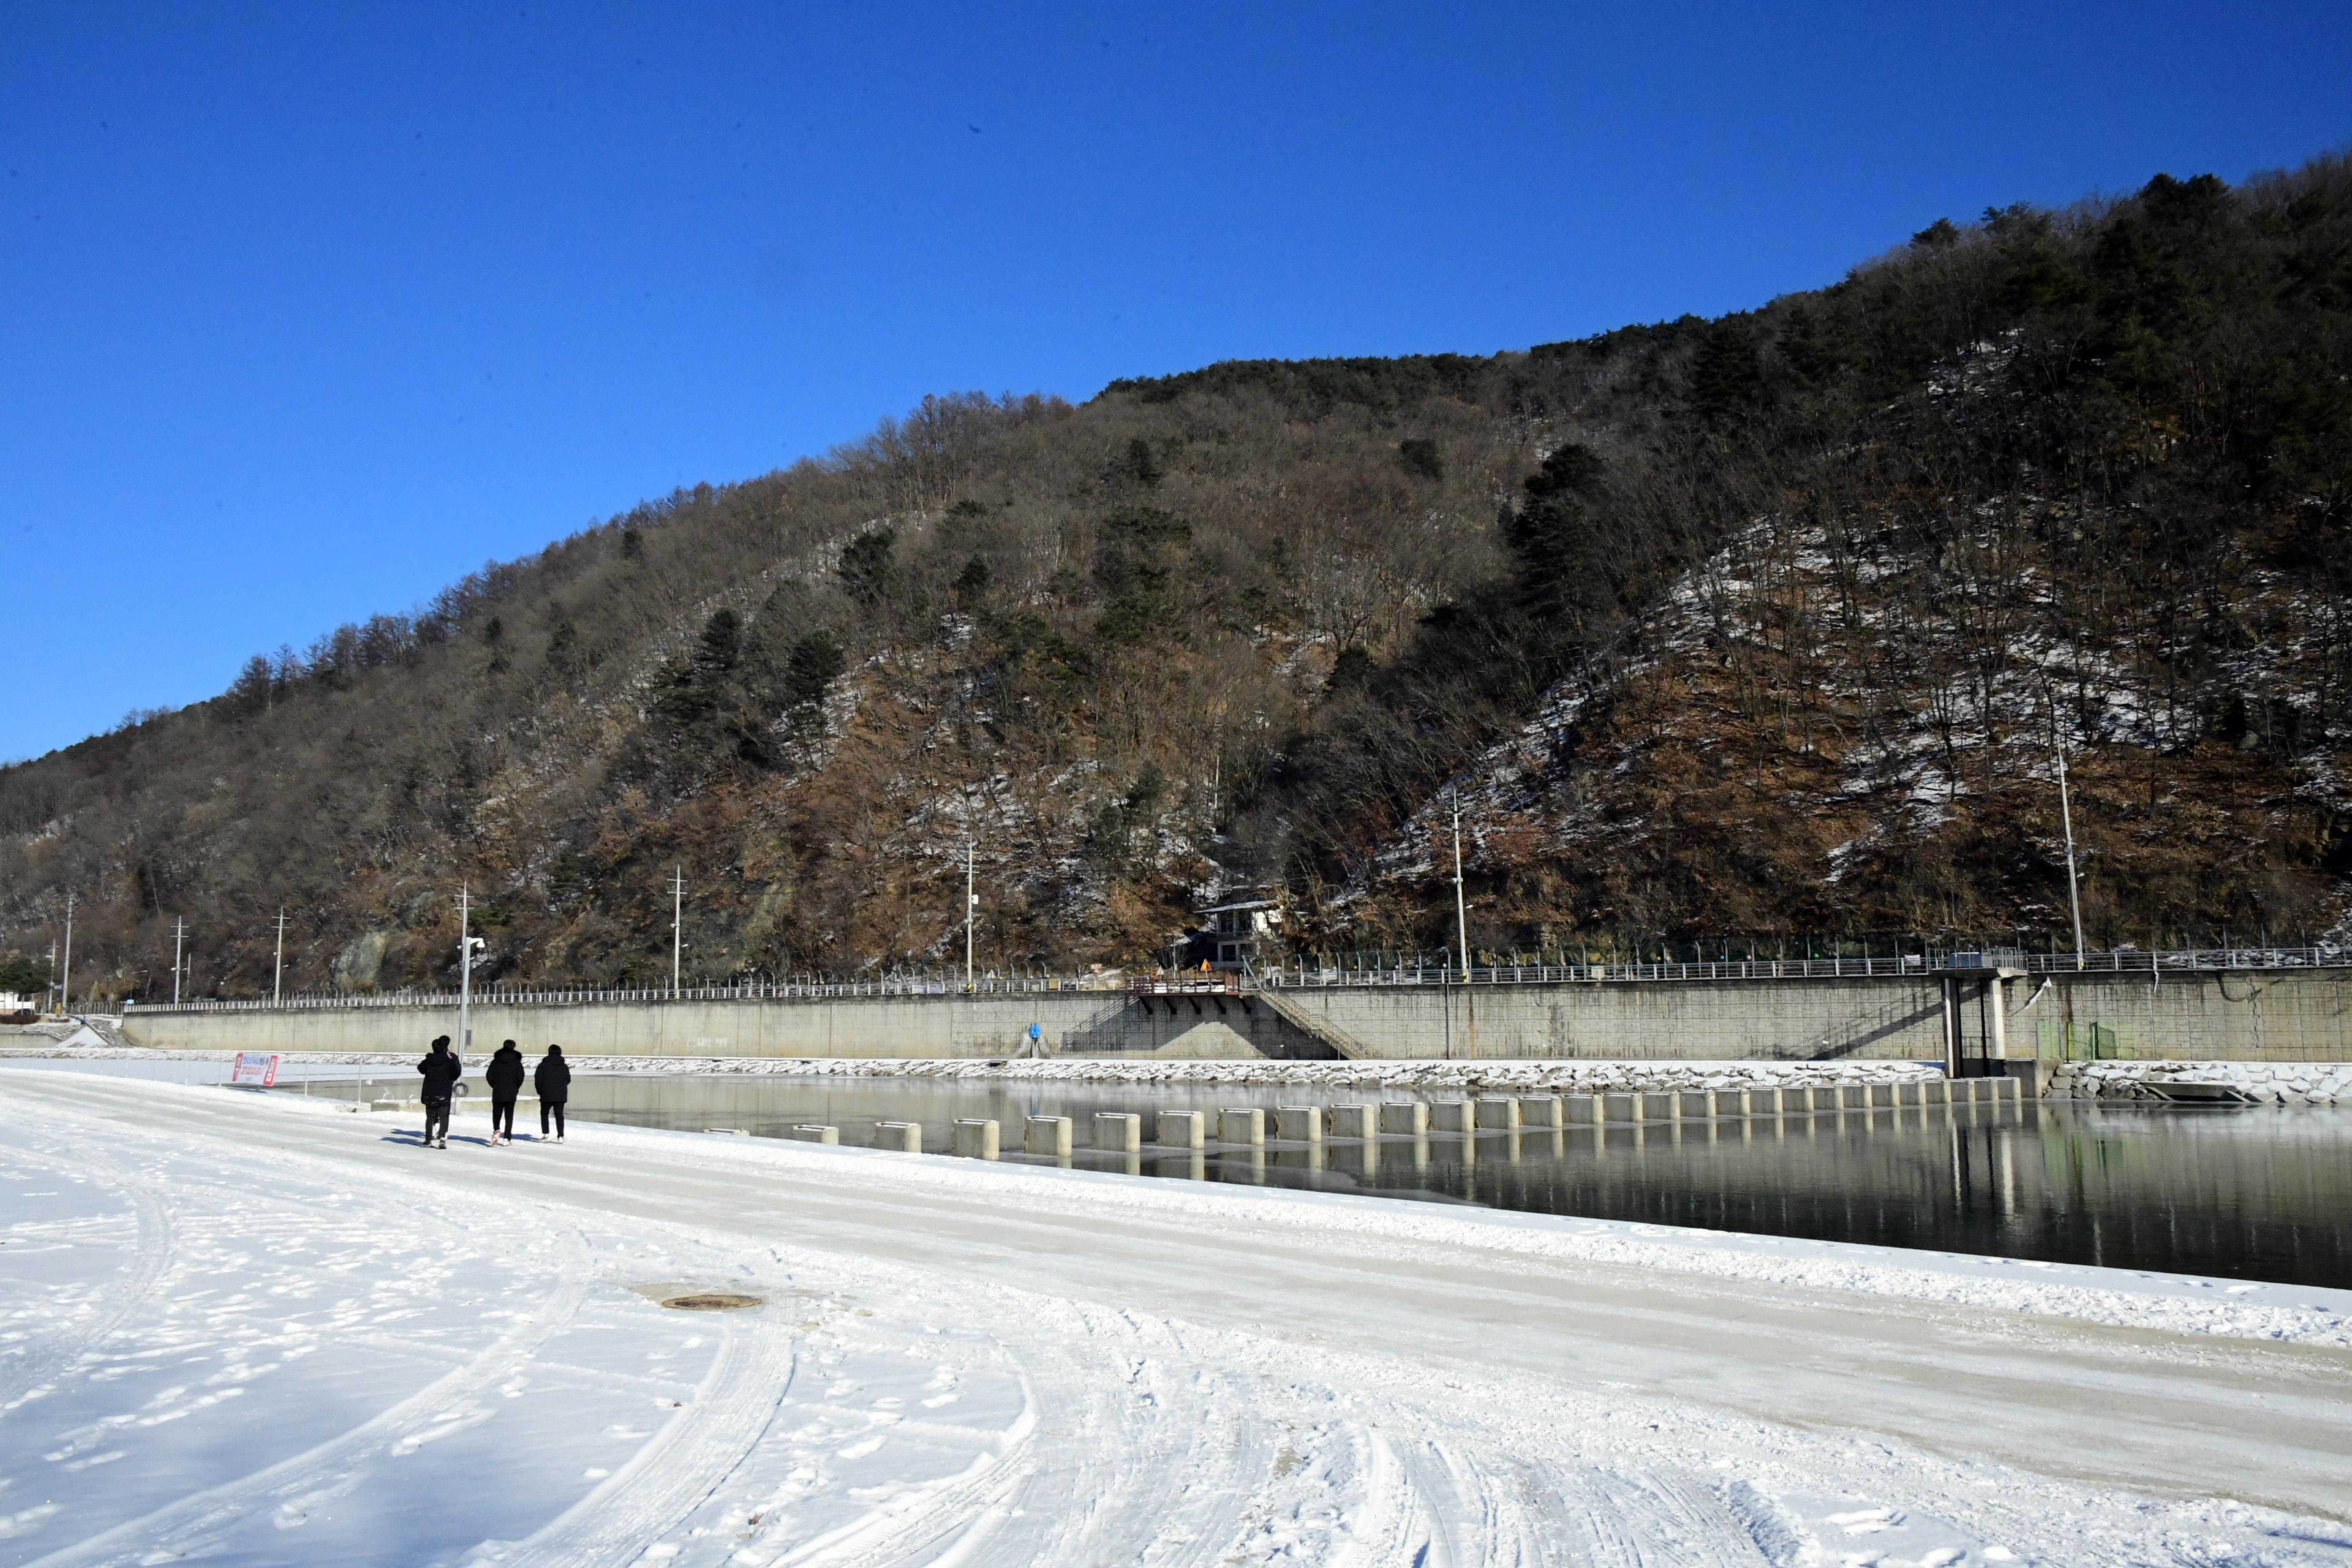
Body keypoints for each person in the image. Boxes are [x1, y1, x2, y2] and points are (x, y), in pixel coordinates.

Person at [416, 1035, 461, 1149]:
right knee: (444, 1116)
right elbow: (456, 1073)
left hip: (430, 1092)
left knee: (430, 1118)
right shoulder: (449, 1060)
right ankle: (442, 1138)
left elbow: (421, 1069)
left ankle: (428, 1140)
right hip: (444, 1091)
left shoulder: (429, 1060)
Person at [485, 1039, 525, 1146]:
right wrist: (516, 1087)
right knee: (509, 1116)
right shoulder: (517, 1063)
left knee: (497, 1114)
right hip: (511, 1092)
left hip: (498, 1091)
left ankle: (496, 1130)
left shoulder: (496, 1061)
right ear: (513, 1047)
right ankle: (507, 1138)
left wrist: (495, 1085)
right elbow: (520, 1077)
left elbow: (489, 1076)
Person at [534, 1044, 571, 1142]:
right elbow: (568, 1080)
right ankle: (561, 1136)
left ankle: (546, 1134)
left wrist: (540, 1091)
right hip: (561, 1095)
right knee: (559, 1115)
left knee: (544, 1114)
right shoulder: (564, 1066)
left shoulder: (543, 1066)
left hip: (546, 1094)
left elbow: (538, 1080)